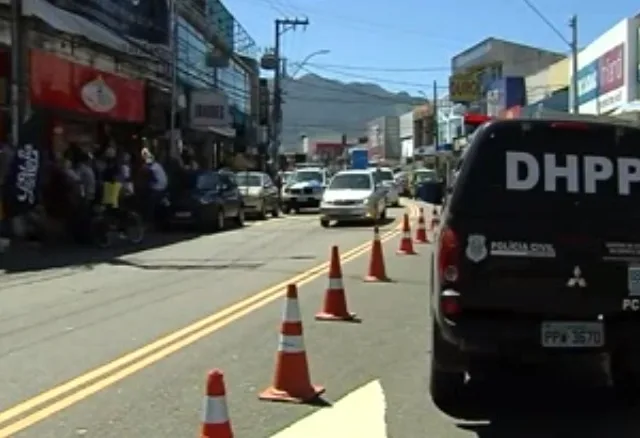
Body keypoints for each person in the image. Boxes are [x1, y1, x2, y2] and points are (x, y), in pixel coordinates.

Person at [141, 148, 168, 222]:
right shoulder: (157, 165)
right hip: (162, 188)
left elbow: (151, 177)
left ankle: (149, 220)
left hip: (157, 189)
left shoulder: (153, 168)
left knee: (150, 205)